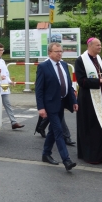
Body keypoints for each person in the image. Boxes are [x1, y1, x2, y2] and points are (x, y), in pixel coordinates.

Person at [35, 42, 78, 171]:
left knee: (53, 131)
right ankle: (67, 160)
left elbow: (69, 85)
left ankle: (46, 154)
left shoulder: (64, 65)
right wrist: (41, 107)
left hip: (62, 103)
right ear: (49, 53)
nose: (60, 53)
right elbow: (39, 89)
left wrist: (74, 101)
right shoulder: (43, 67)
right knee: (59, 131)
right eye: (57, 51)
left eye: (61, 51)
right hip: (50, 104)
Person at [0, 43, 24, 130]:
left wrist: (10, 82)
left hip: (4, 85)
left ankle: (13, 122)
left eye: (2, 50)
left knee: (7, 104)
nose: (1, 52)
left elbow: (6, 74)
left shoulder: (2, 61)